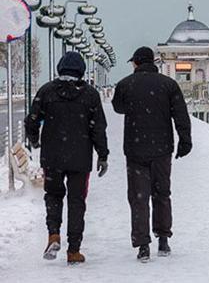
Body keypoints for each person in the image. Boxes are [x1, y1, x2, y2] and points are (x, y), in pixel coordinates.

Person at [25, 52, 109, 265]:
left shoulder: (47, 91)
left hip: (52, 157)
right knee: (77, 201)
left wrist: (34, 140)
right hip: (80, 158)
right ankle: (74, 250)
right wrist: (103, 154)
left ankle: (53, 234)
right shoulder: (90, 94)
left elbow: (32, 120)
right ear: (81, 70)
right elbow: (99, 127)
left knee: (53, 196)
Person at [112, 46, 192, 262]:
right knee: (162, 193)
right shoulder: (169, 85)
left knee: (139, 197)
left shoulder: (125, 84)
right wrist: (185, 140)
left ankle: (143, 245)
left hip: (135, 149)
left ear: (136, 63)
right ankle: (163, 239)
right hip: (162, 149)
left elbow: (118, 108)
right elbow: (181, 115)